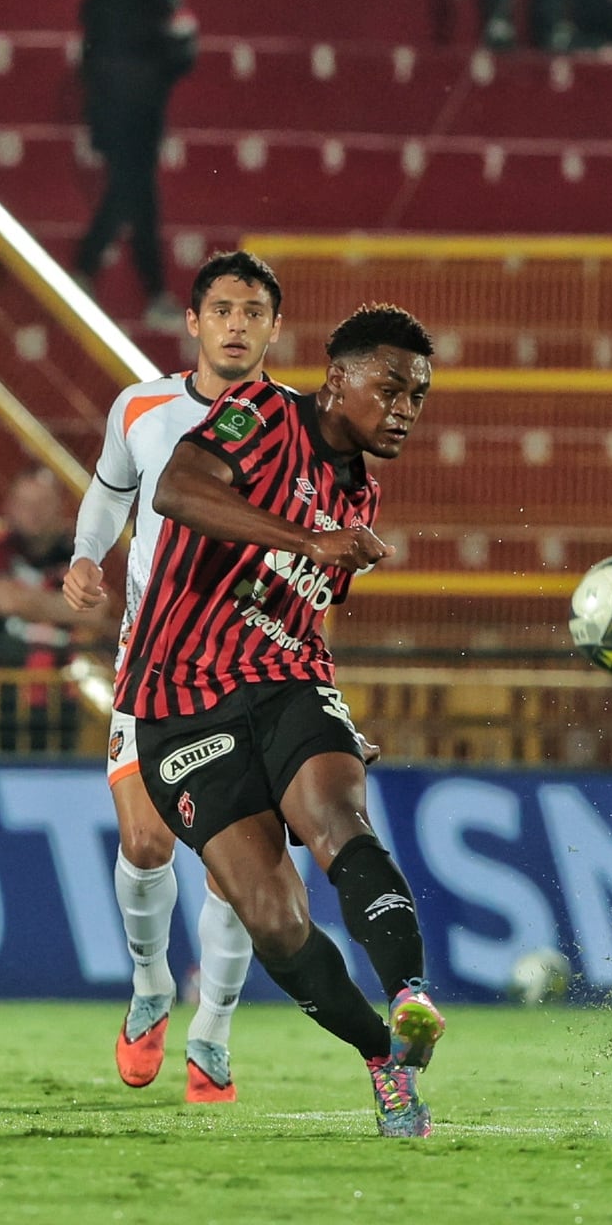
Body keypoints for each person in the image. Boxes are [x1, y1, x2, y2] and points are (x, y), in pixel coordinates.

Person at [113, 304, 446, 1137]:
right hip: (179, 701)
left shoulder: (359, 489)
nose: (405, 408)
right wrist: (310, 537)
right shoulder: (261, 413)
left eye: (418, 397)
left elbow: (291, 613)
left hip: (286, 682)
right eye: (391, 388)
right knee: (272, 914)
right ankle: (382, 1059)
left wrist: (334, 722)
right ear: (337, 380)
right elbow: (178, 491)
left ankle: (409, 996)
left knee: (337, 816)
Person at [63, 250, 283, 1103]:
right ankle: (150, 983)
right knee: (147, 842)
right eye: (221, 309)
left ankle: (213, 1033)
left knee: (236, 867)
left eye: (253, 311)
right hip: (152, 660)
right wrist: (87, 556)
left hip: (250, 670)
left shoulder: (293, 423)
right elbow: (109, 493)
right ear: (192, 322)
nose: (236, 324)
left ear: (272, 327)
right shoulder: (142, 406)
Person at [74, 0, 198, 331]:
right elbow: (175, 56)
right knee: (137, 197)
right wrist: (181, 37)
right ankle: (128, 283)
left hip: (112, 118)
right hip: (139, 119)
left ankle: (99, 275)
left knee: (132, 196)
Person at [0, 465, 116, 751]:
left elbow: (97, 612)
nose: (33, 513)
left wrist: (25, 601)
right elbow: (5, 601)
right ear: (9, 507)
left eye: (42, 503)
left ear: (60, 507)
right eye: (24, 503)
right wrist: (66, 604)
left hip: (59, 695)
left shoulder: (79, 554)